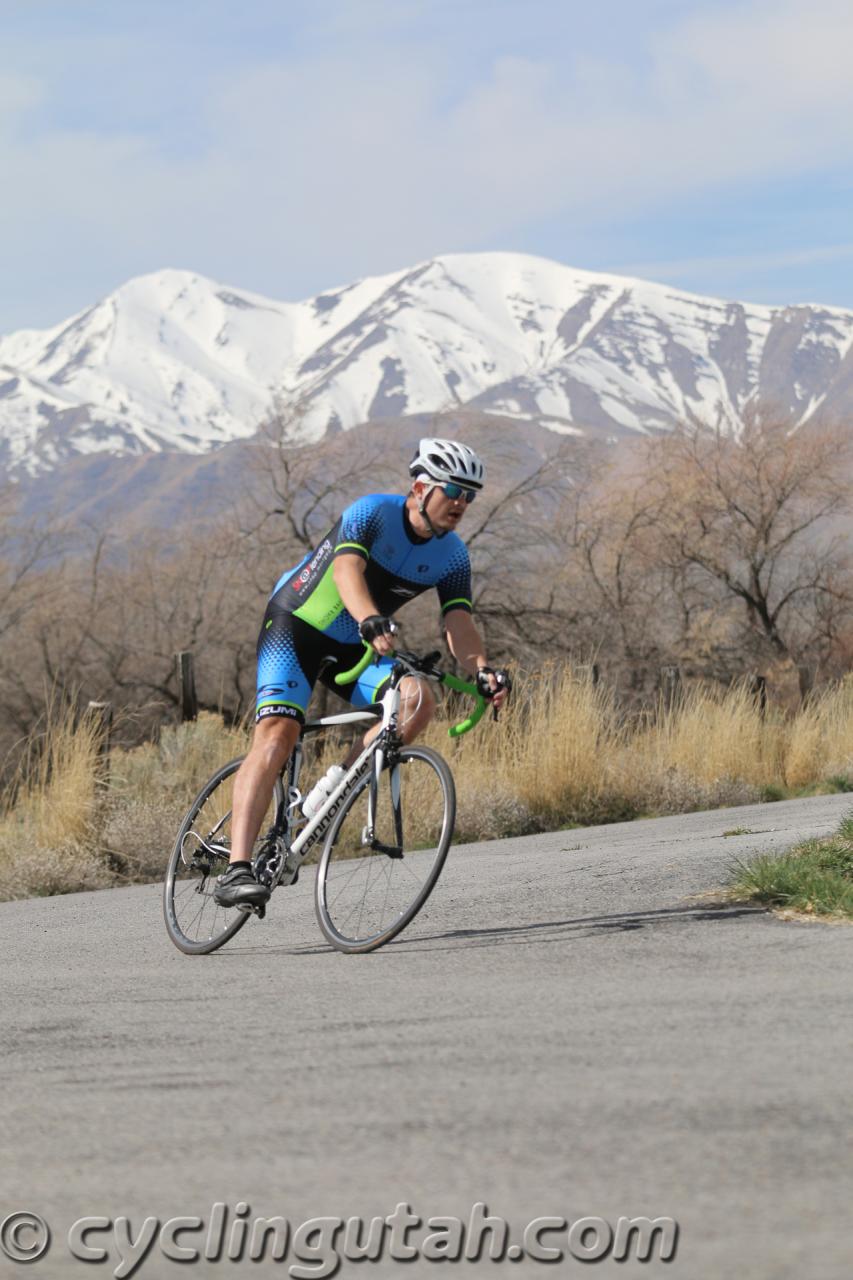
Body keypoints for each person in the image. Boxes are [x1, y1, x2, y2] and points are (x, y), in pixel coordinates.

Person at [214, 438, 512, 908]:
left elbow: (459, 619)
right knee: (277, 734)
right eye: (454, 489)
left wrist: (482, 669)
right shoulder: (371, 512)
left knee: (416, 702)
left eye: (470, 495)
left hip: (359, 642)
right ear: (420, 487)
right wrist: (370, 618)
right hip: (298, 625)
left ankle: (324, 799)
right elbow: (346, 570)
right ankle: (236, 868)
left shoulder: (452, 554)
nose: (461, 503)